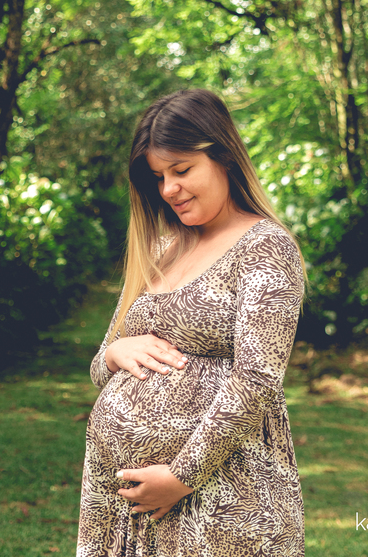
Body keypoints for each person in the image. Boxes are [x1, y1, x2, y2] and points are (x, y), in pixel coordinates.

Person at [77, 88, 306, 556]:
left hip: (219, 498)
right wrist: (116, 352)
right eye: (158, 177)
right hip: (122, 506)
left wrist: (181, 477)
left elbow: (257, 380)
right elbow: (101, 368)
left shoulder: (265, 246)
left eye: (181, 170)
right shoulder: (162, 247)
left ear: (224, 156)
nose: (168, 189)